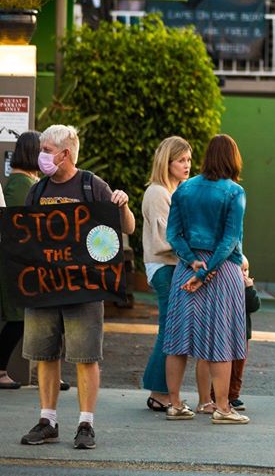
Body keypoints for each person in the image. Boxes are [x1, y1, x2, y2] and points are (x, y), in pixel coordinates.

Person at [19, 125, 136, 450]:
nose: (41, 155)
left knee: (86, 357)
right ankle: (48, 420)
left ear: (65, 153)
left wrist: (122, 205)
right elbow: (23, 235)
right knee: (45, 355)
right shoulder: (37, 190)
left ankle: (86, 423)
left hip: (83, 288)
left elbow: (126, 227)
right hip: (45, 287)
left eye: (46, 149)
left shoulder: (91, 185)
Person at [163, 134, 249, 425]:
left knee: (177, 340)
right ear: (232, 158)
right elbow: (230, 240)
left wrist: (191, 262)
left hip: (185, 271)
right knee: (220, 340)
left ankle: (174, 404)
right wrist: (207, 271)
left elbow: (172, 235)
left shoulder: (184, 189)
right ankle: (222, 408)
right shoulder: (234, 192)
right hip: (222, 273)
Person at [140, 137, 193, 413]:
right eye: (181, 160)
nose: (187, 165)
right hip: (164, 268)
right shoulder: (158, 193)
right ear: (167, 162)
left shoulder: (176, 190)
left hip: (172, 267)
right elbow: (165, 241)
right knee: (169, 330)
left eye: (188, 159)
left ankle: (159, 388)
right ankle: (159, 391)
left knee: (170, 330)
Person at [0, 131, 33, 389]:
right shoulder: (22, 185)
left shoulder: (19, 182)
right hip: (17, 263)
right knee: (17, 317)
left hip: (17, 262)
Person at [212, 255, 260, 412]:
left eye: (246, 270)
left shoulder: (247, 288)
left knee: (238, 368)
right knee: (222, 364)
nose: (244, 274)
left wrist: (249, 288)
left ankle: (233, 395)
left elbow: (254, 306)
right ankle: (215, 394)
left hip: (242, 335)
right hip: (225, 333)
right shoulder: (226, 288)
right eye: (241, 270)